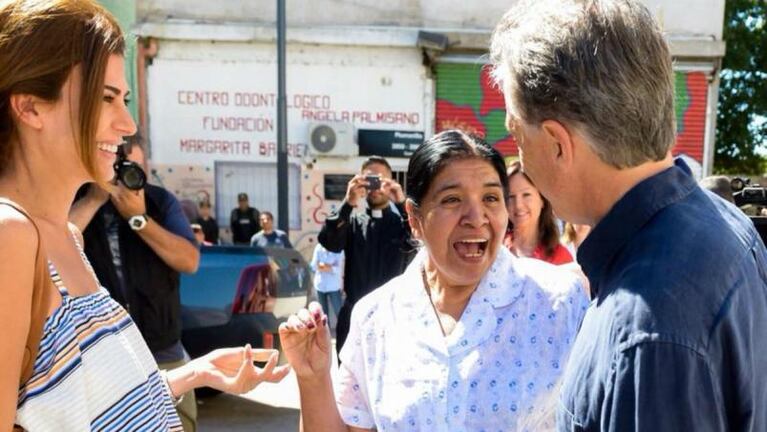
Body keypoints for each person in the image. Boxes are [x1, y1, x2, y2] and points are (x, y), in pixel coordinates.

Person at [0, 2, 289, 430]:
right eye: (106, 98)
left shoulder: (65, 235)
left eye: (126, 99)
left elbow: (84, 408)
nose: (127, 123)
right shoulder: (11, 235)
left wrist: (197, 373)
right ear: (30, 108)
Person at [489, 0, 767, 430]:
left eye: (514, 131)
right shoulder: (723, 224)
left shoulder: (646, 329)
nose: (518, 155)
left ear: (556, 143)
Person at [280, 130, 590, 431]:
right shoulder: (375, 318)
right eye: (452, 199)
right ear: (414, 219)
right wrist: (312, 377)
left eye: (491, 197)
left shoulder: (559, 303)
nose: (476, 216)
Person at [71, 141, 203, 431]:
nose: (126, 174)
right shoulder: (75, 198)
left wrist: (139, 218)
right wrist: (94, 198)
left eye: (135, 166)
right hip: (100, 356)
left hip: (162, 350)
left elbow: (190, 260)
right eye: (118, 165)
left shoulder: (159, 202)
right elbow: (51, 248)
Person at [318, 155, 412, 355]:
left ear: (390, 182)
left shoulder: (401, 224)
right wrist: (348, 201)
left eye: (380, 179)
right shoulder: (351, 222)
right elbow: (329, 242)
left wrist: (402, 202)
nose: (375, 186)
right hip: (354, 316)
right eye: (370, 180)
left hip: (393, 317)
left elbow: (420, 240)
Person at [505, 161, 573, 264]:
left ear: (542, 200)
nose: (518, 205)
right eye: (511, 196)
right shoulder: (494, 249)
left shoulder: (560, 257)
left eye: (526, 195)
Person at [309, 242, 344, 326]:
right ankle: (326, 335)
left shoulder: (339, 250)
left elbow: (338, 269)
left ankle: (343, 333)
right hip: (320, 285)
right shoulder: (319, 247)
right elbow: (313, 266)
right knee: (323, 315)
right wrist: (328, 266)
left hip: (333, 286)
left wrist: (321, 265)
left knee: (339, 311)